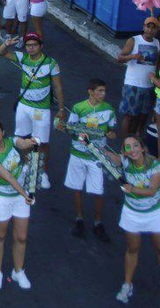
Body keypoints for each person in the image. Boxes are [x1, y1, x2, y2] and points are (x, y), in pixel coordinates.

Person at [104, 136, 160, 303]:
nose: (133, 149)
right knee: (132, 248)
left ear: (143, 148)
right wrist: (94, 145)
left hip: (156, 212)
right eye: (128, 147)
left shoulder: (155, 165)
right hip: (133, 213)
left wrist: (132, 189)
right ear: (124, 152)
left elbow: (152, 190)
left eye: (136, 145)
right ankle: (127, 284)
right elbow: (110, 157)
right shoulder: (124, 161)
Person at [0, 32, 65, 189]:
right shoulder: (23, 58)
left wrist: (61, 109)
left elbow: (58, 86)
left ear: (41, 46)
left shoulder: (50, 63)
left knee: (42, 142)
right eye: (28, 45)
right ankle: (28, 167)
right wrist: (6, 44)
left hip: (41, 109)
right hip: (24, 106)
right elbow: (1, 53)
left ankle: (42, 172)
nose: (30, 48)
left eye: (34, 45)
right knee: (23, 139)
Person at [55, 78, 115, 241]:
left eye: (104, 91)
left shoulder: (109, 109)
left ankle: (98, 222)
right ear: (90, 91)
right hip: (78, 153)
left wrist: (111, 134)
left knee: (98, 190)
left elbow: (112, 130)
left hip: (97, 155)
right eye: (100, 91)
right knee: (77, 187)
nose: (103, 94)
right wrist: (64, 128)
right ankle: (79, 218)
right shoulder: (78, 108)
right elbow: (71, 129)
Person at [0, 119, 39, 290]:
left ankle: (18, 271)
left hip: (19, 199)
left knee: (21, 237)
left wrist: (32, 141)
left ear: (3, 132)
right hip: (1, 199)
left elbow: (22, 144)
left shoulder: (12, 141)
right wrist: (26, 195)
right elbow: (8, 177)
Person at [117, 17, 159, 139]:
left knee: (143, 115)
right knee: (129, 116)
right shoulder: (134, 40)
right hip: (133, 84)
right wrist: (133, 56)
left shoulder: (157, 43)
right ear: (143, 27)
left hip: (149, 86)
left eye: (153, 27)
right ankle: (125, 143)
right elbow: (119, 58)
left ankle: (137, 138)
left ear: (156, 30)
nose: (150, 30)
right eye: (148, 26)